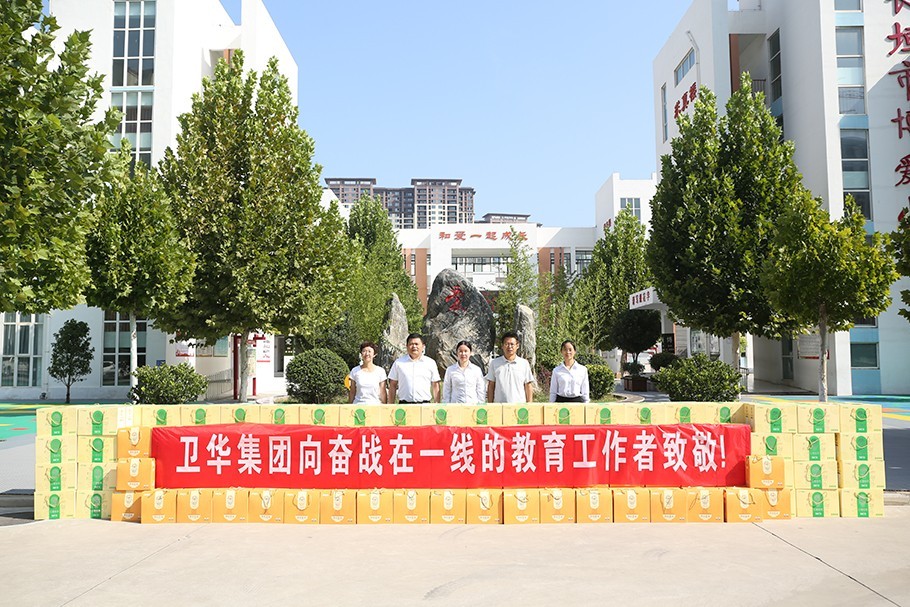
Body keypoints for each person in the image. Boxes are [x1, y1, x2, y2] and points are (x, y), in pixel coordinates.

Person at [388, 333, 441, 403]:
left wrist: (437, 404)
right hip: (404, 405)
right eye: (411, 344)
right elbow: (393, 385)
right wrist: (391, 405)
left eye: (416, 344)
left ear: (423, 346)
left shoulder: (430, 363)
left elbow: (435, 385)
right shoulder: (398, 363)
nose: (414, 346)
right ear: (407, 346)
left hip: (424, 405)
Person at [486, 331, 534, 403]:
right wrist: (490, 405)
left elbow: (528, 386)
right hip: (500, 406)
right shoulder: (494, 363)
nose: (509, 347)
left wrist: (529, 405)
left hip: (519, 406)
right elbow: (491, 385)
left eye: (512, 344)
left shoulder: (524, 364)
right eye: (507, 344)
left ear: (517, 346)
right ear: (502, 346)